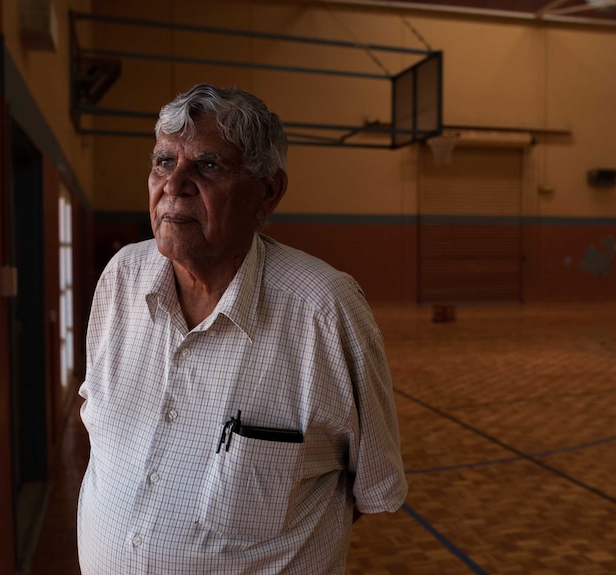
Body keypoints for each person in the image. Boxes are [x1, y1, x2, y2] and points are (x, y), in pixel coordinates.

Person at [77, 83, 408, 574]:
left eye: (208, 166)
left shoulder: (323, 310)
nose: (175, 184)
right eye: (164, 162)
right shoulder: (121, 278)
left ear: (267, 192)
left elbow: (369, 486)